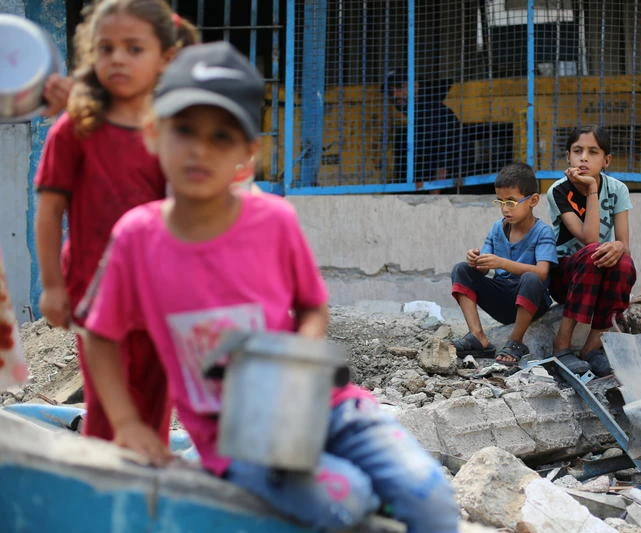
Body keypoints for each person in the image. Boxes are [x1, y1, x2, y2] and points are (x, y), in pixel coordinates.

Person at [78, 41, 460, 533]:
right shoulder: (137, 237)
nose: (200, 149)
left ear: (248, 153)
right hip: (235, 439)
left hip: (328, 407)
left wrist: (293, 368)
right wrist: (128, 423)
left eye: (222, 136)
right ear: (153, 134)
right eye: (185, 131)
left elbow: (312, 308)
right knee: (344, 496)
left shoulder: (274, 221)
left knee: (429, 498)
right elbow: (99, 333)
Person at [34, 0, 198, 443]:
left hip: (160, 295)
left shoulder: (174, 133)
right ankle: (102, 496)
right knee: (109, 413)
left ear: (165, 57)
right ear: (91, 56)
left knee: (155, 409)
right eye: (106, 48)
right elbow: (49, 211)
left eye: (133, 48)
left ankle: (145, 499)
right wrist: (51, 285)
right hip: (95, 293)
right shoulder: (74, 130)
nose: (118, 58)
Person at [546, 125, 637, 376]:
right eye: (577, 151)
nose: (583, 157)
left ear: (606, 160)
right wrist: (592, 190)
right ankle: (561, 346)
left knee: (625, 264)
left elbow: (624, 245)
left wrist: (618, 246)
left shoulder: (618, 189)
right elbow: (589, 238)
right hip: (565, 276)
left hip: (597, 267)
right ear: (568, 157)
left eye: (593, 152)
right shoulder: (559, 190)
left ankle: (591, 349)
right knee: (593, 252)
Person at [450, 162, 558, 366]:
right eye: (500, 202)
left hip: (532, 300)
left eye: (511, 202)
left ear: (533, 200)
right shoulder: (496, 229)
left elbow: (542, 272)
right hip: (502, 299)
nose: (505, 209)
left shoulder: (543, 232)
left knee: (531, 278)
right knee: (461, 269)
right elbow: (484, 267)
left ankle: (516, 341)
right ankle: (477, 336)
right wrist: (475, 260)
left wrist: (502, 262)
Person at [383, 71, 469, 183]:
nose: (395, 95)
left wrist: (435, 191)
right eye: (390, 92)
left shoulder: (433, 112)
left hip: (443, 189)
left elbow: (446, 153)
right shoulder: (418, 114)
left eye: (399, 87)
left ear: (416, 86)